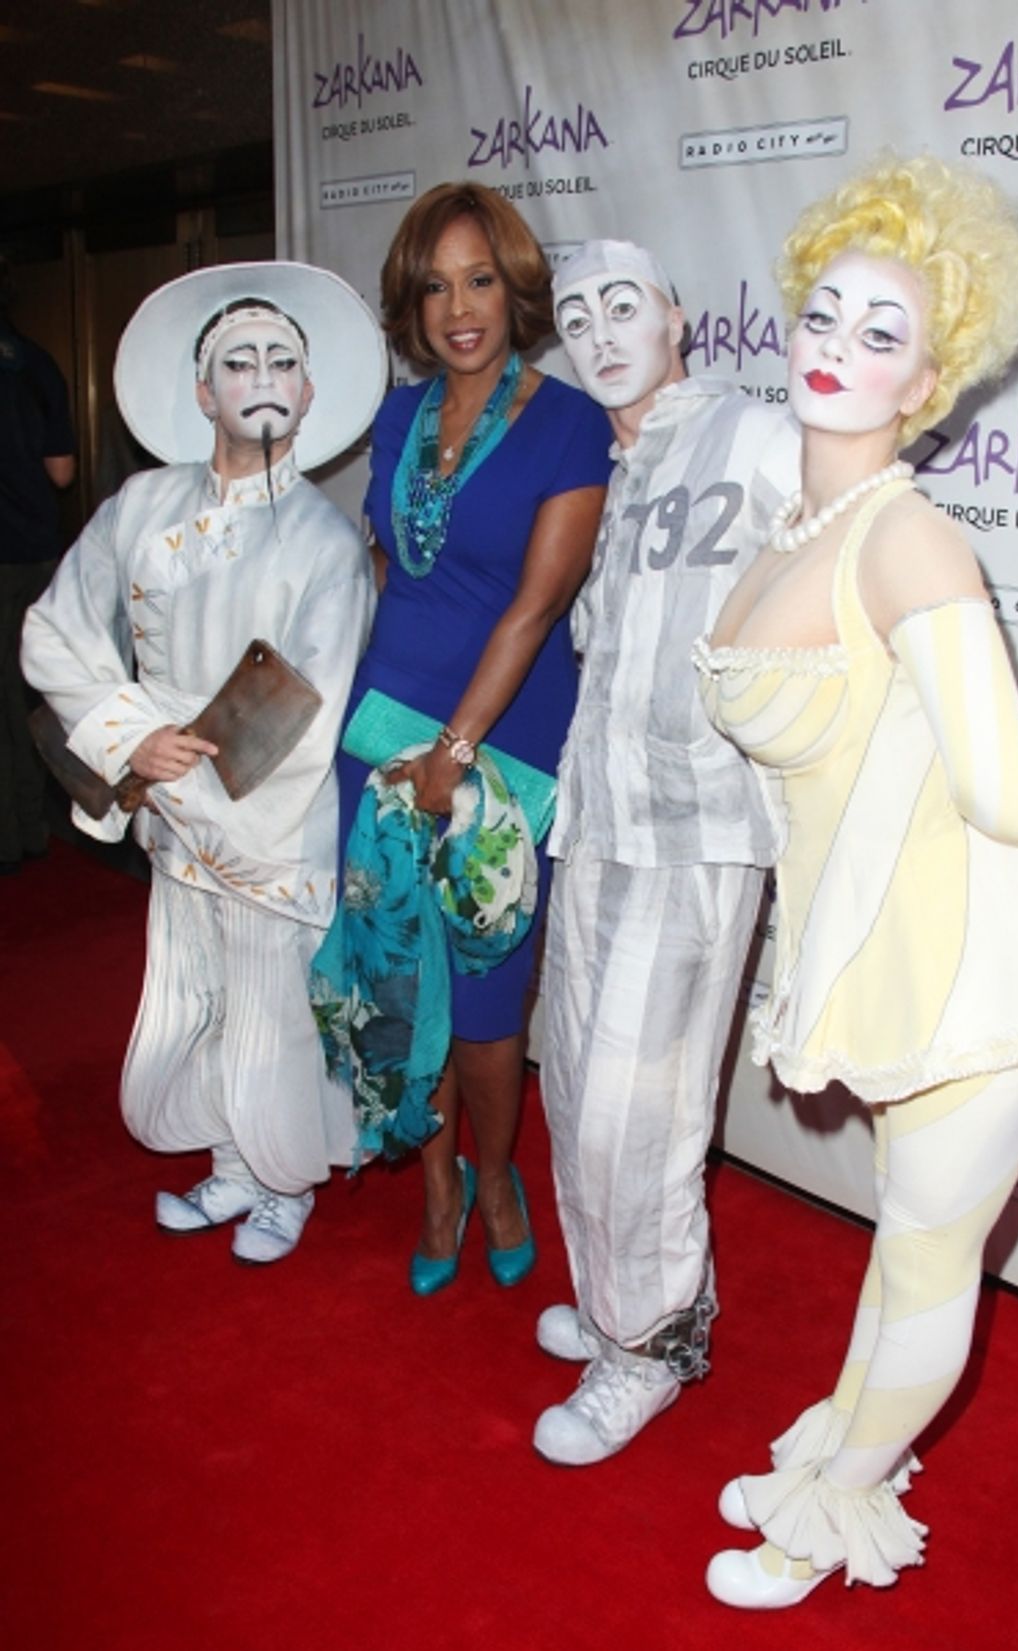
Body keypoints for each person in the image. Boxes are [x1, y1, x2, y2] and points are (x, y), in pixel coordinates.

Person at [694, 154, 1018, 1608]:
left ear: (932, 380)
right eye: (825, 315)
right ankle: (837, 1446)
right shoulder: (807, 522)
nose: (838, 349)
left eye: (881, 334)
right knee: (911, 1239)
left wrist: (912, 713)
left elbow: (1007, 790)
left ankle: (827, 1511)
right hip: (888, 932)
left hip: (984, 946)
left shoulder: (908, 534)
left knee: (925, 1255)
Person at [22, 262, 385, 1264]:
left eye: (282, 360)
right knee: (202, 995)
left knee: (274, 1007)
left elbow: (302, 707)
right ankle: (233, 1162)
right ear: (200, 390)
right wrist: (127, 734)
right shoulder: (140, 503)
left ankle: (285, 1182)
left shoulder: (322, 540)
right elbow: (55, 633)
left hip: (266, 823)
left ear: (309, 394)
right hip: (168, 810)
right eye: (239, 360)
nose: (261, 376)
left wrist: (180, 784)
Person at [533, 240, 797, 1465]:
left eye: (622, 305)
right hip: (598, 815)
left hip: (699, 826)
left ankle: (646, 1348)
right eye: (575, 313)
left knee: (640, 1110)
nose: (596, 329)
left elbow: (841, 568)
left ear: (678, 318)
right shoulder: (608, 462)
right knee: (576, 1080)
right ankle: (611, 1303)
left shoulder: (753, 434)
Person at [329, 182, 610, 1296]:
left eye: (480, 280)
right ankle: (436, 1180)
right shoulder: (395, 418)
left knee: (491, 1003)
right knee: (399, 974)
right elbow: (393, 566)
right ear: (411, 302)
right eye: (436, 285)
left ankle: (498, 1175)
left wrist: (453, 747)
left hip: (497, 744)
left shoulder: (569, 421)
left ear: (515, 288)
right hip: (385, 727)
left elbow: (535, 606)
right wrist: (386, 732)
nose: (460, 307)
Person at [0, 254, 76, 875]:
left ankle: (10, 834)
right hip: (37, 550)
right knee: (32, 692)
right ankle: (34, 827)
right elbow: (63, 471)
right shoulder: (37, 362)